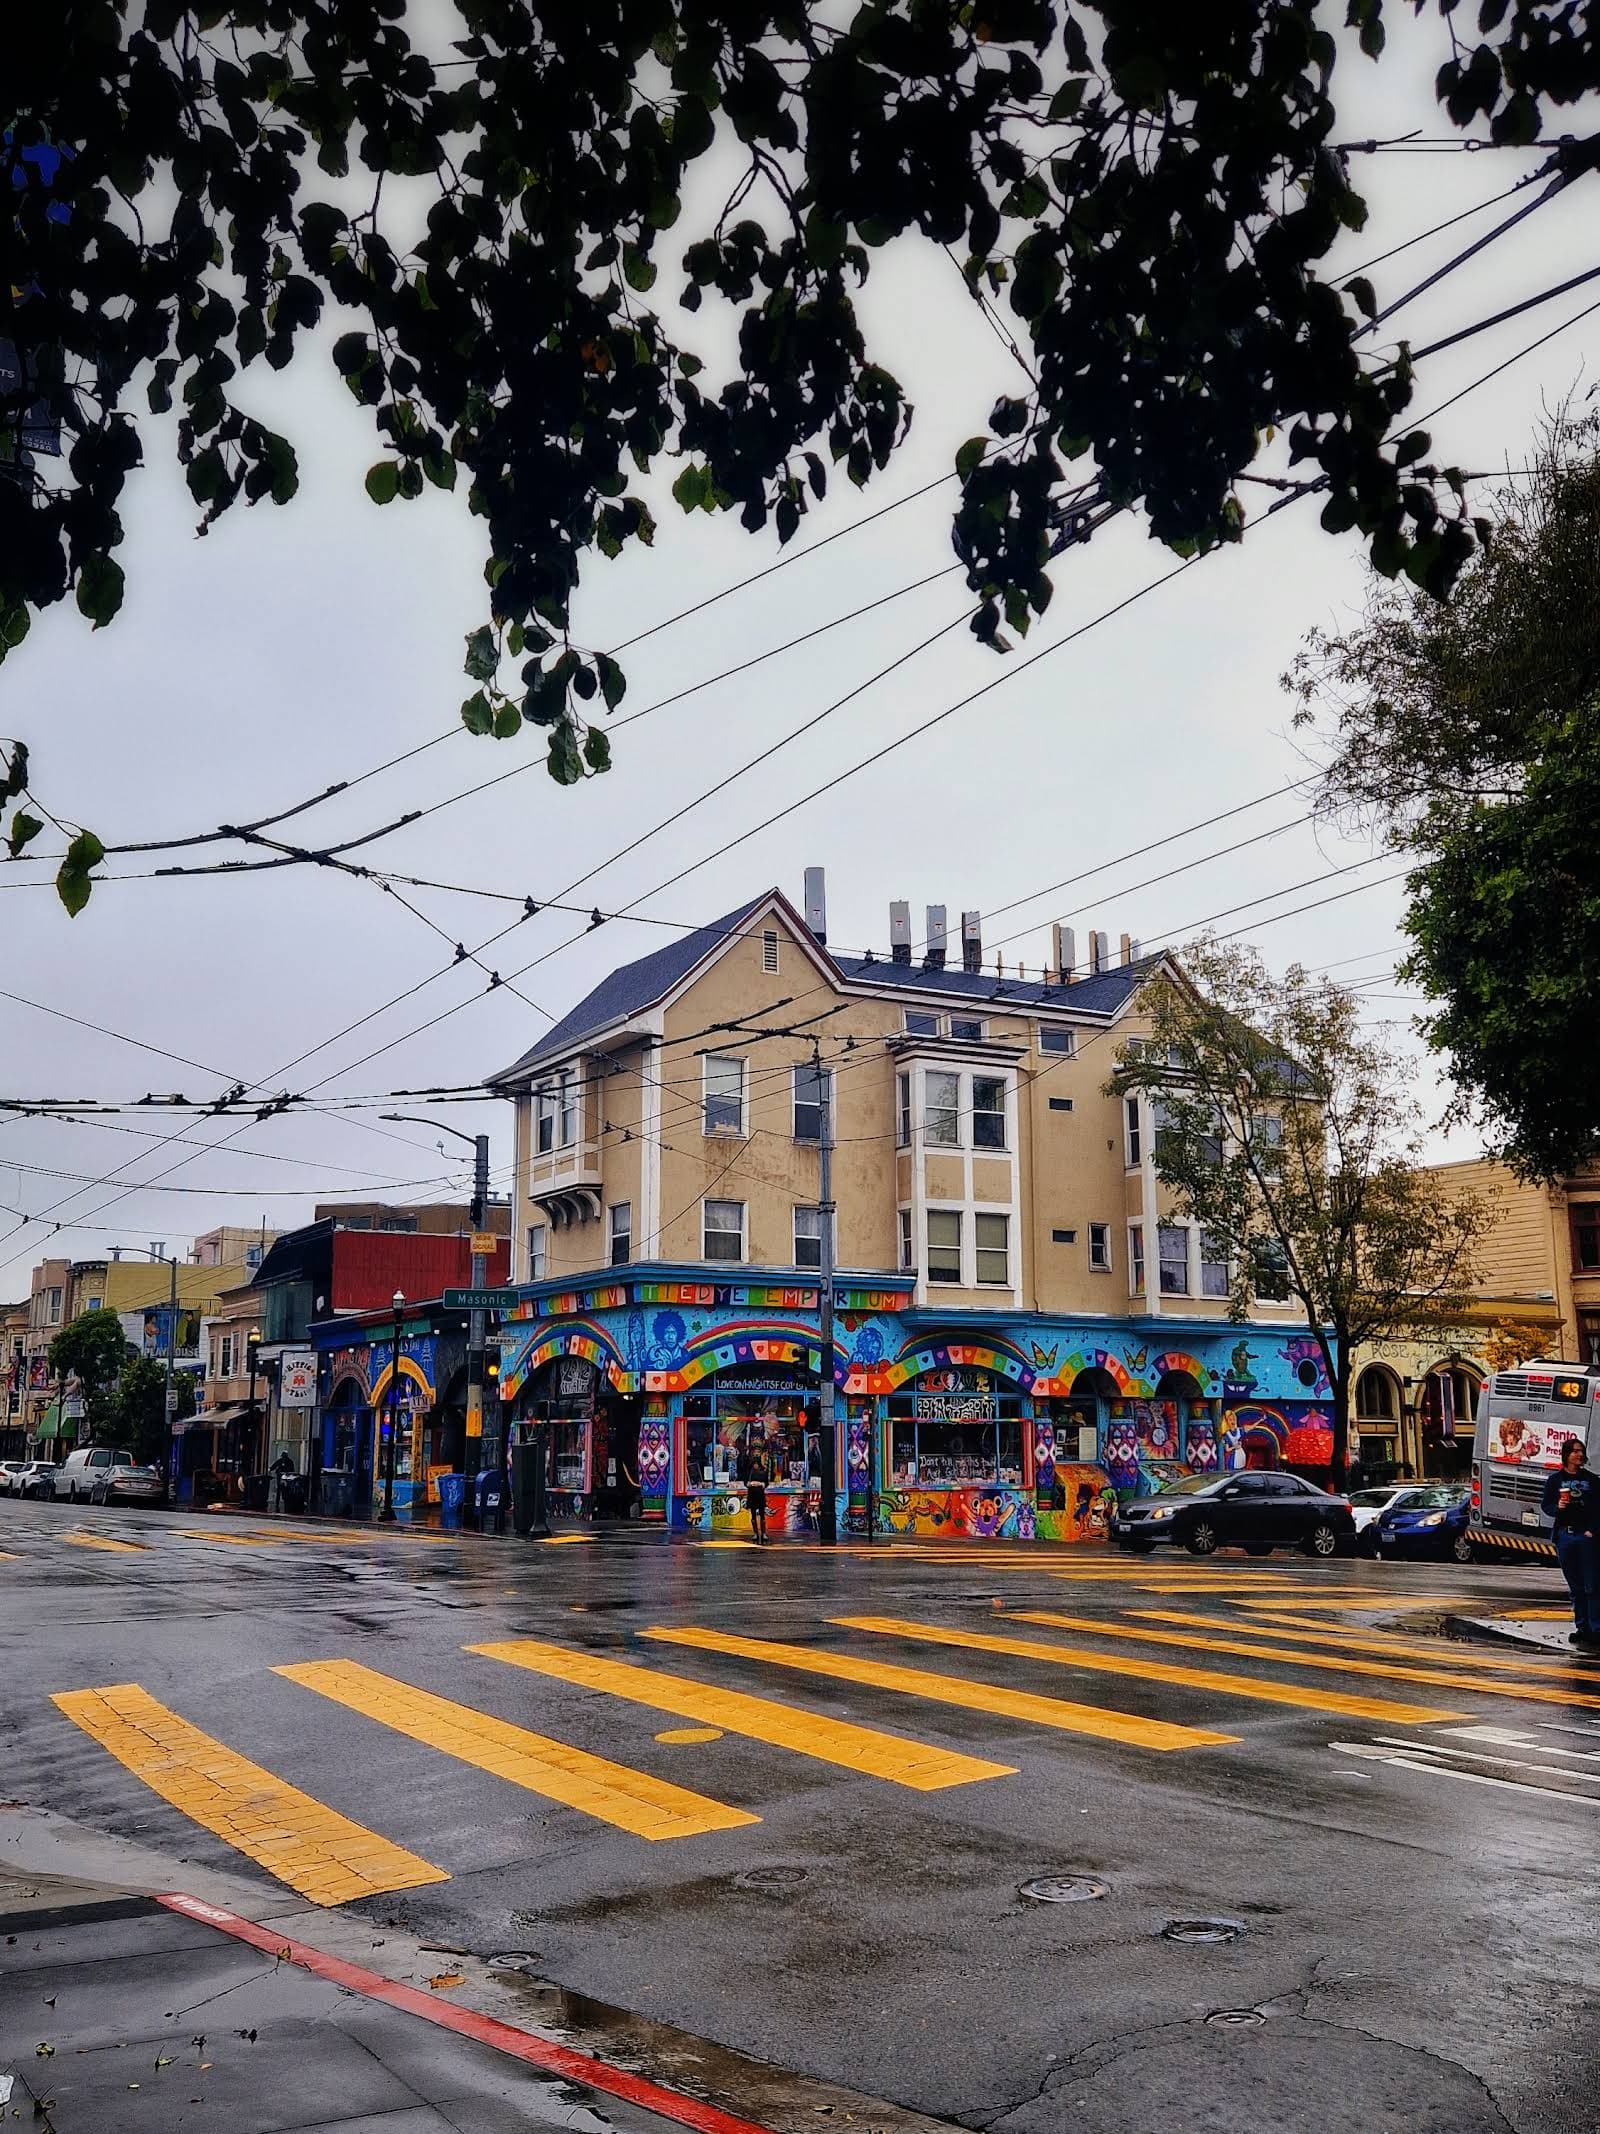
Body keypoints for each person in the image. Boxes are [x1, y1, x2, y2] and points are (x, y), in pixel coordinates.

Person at [1542, 1438, 1600, 1648]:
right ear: (1566, 1454)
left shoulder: (1592, 1480)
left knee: (1592, 1584)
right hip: (1565, 1535)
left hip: (1586, 1538)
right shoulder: (1555, 1480)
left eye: (1580, 1451)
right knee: (1575, 1586)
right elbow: (1546, 1506)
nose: (1578, 1455)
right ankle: (1581, 1627)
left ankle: (1596, 1628)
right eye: (1574, 1451)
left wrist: (1592, 1531)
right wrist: (1558, 1506)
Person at [744, 1437, 770, 1545]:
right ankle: (755, 1533)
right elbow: (745, 1481)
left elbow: (766, 1482)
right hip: (752, 1494)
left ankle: (763, 1533)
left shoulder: (763, 1471)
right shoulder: (749, 1472)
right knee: (753, 1514)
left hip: (759, 1494)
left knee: (762, 1514)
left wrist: (761, 1484)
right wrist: (749, 1484)